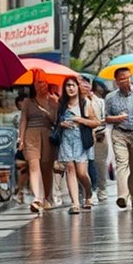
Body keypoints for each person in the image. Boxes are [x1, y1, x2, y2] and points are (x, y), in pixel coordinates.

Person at [103, 67, 133, 209]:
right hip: (119, 133)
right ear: (116, 81)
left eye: (128, 78)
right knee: (122, 163)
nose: (125, 81)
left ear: (131, 78)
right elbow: (106, 118)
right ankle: (122, 195)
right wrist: (117, 118)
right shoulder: (110, 97)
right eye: (122, 79)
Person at [56, 76, 98, 214]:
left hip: (81, 140)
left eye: (73, 85)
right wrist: (61, 124)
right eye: (68, 85)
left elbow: (96, 122)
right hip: (66, 140)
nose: (70, 88)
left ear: (78, 87)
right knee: (70, 170)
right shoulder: (61, 104)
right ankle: (75, 204)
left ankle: (88, 192)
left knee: (82, 173)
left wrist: (80, 120)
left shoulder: (84, 103)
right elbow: (56, 122)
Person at [18, 78, 58, 213]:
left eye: (44, 82)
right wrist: (21, 138)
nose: (41, 85)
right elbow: (23, 120)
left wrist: (50, 108)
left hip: (47, 136)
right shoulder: (27, 102)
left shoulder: (53, 101)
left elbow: (55, 121)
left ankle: (47, 197)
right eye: (38, 82)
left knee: (46, 168)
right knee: (33, 166)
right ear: (33, 85)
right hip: (31, 135)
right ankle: (36, 198)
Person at [88, 79, 110, 203]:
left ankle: (101, 188)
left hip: (98, 135)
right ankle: (88, 190)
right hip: (82, 136)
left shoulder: (100, 102)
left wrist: (98, 126)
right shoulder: (78, 102)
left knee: (99, 163)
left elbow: (105, 118)